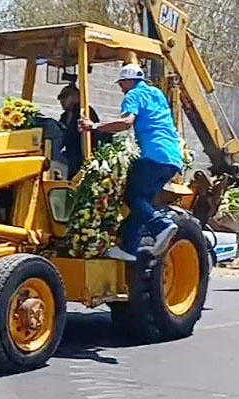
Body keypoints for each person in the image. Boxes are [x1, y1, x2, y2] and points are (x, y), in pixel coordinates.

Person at [78, 64, 184, 262]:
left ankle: (161, 225)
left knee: (132, 197)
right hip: (172, 159)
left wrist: (93, 126)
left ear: (128, 81)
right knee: (142, 203)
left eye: (121, 84)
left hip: (154, 156)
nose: (121, 88)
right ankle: (129, 248)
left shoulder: (133, 96)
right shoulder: (157, 93)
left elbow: (126, 122)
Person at [57, 84, 109, 179]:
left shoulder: (85, 112)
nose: (61, 101)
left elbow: (94, 134)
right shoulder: (64, 116)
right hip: (69, 155)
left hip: (82, 156)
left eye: (64, 97)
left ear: (75, 96)